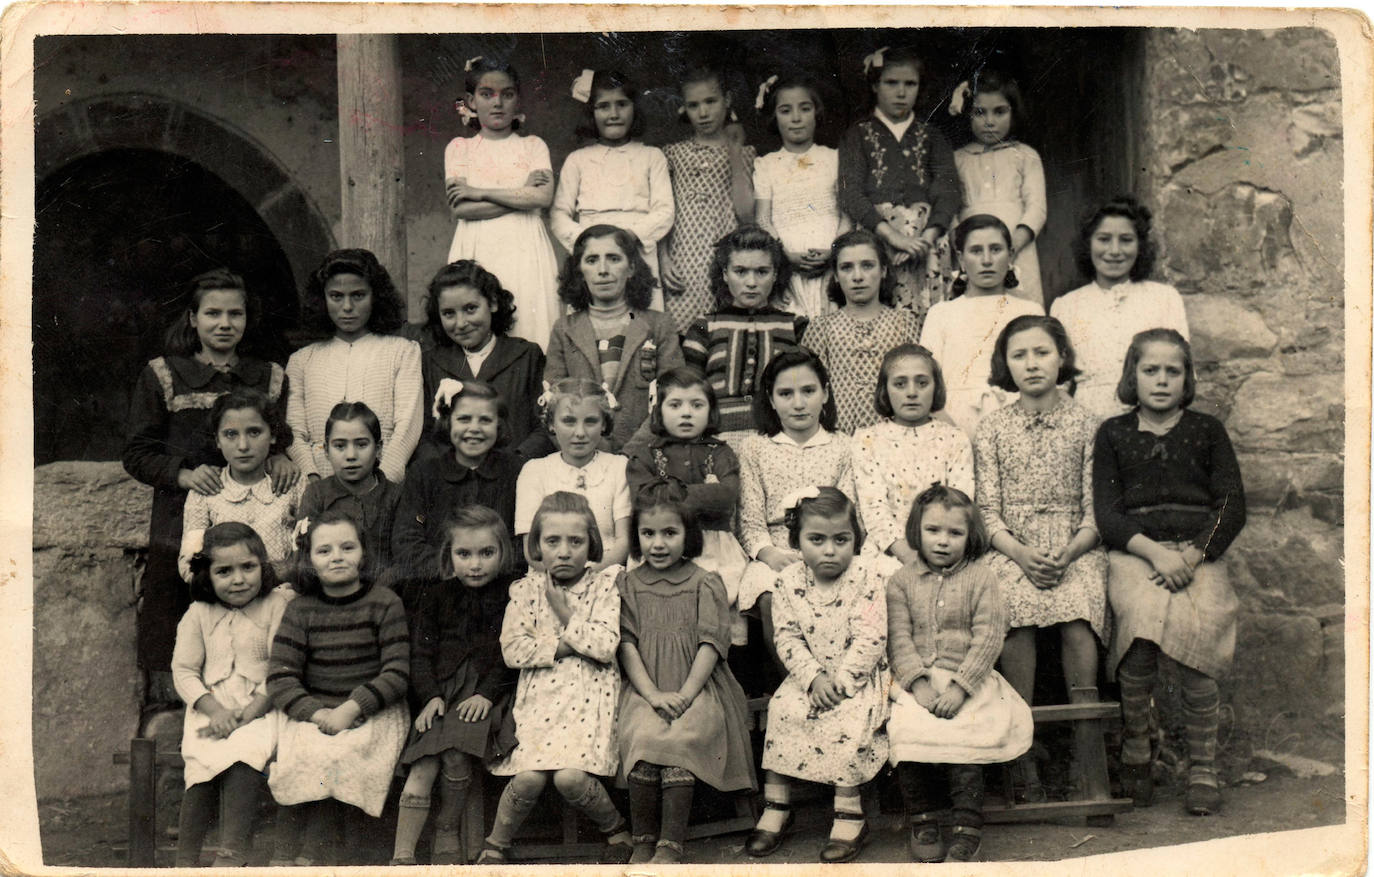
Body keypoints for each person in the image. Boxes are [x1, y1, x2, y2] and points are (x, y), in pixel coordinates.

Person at [1093, 329, 1246, 816]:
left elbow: (1231, 506)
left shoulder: (1207, 431)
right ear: (1131, 376)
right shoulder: (1113, 434)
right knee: (1138, 639)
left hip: (1197, 557)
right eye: (1150, 370)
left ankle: (1203, 765)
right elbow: (1108, 513)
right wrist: (1156, 555)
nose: (1161, 380)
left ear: (1187, 378)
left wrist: (1195, 554)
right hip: (1137, 557)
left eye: (1172, 371)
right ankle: (1138, 742)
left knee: (1198, 647)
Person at [123, 267, 295, 688]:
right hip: (181, 515)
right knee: (182, 609)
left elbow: (276, 434)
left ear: (246, 319)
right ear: (193, 318)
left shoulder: (269, 376)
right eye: (213, 313)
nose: (224, 324)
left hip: (253, 513)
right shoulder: (163, 373)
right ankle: (175, 710)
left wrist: (282, 455)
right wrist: (181, 475)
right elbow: (136, 453)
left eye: (235, 314)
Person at [973, 314, 1108, 803]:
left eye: (1042, 352)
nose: (1032, 364)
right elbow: (986, 511)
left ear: (1062, 357)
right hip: (1013, 548)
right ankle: (1020, 757)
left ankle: (1087, 754)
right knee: (1014, 614)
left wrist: (1068, 551)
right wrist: (1023, 554)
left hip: (1076, 546)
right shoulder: (990, 429)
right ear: (1005, 364)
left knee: (1077, 618)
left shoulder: (1090, 425)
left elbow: (1097, 511)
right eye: (1019, 355)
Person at [479, 492, 631, 865]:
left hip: (590, 697)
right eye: (552, 541)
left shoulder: (605, 585)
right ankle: (496, 842)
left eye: (575, 542)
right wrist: (567, 645)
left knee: (570, 778)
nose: (564, 552)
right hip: (539, 700)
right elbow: (514, 651)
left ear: (591, 543)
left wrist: (565, 614)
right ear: (537, 545)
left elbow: (604, 645)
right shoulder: (526, 589)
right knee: (528, 777)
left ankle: (616, 829)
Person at [886, 485, 1032, 863]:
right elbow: (898, 637)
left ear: (971, 537)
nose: (943, 541)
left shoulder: (982, 578)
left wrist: (961, 686)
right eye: (933, 530)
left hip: (969, 681)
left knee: (967, 740)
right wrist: (917, 683)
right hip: (917, 681)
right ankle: (924, 819)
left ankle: (968, 825)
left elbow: (988, 636)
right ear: (917, 531)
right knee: (908, 733)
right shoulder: (900, 581)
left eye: (955, 533)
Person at [745, 487, 889, 863]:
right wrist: (812, 679)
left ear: (855, 539)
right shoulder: (788, 581)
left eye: (841, 540)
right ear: (796, 541)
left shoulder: (867, 578)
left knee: (849, 716)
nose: (830, 550)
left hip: (855, 676)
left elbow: (871, 637)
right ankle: (777, 807)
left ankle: (849, 814)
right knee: (783, 708)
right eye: (817, 540)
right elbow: (787, 637)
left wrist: (841, 682)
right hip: (809, 677)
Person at [616, 480, 756, 864]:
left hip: (699, 687)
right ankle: (644, 838)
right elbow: (626, 644)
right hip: (646, 688)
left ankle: (670, 843)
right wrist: (653, 695)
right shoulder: (627, 584)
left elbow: (711, 643)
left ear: (688, 535)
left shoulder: (704, 582)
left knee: (682, 740)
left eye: (670, 533)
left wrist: (686, 694)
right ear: (636, 536)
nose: (658, 544)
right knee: (642, 736)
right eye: (648, 533)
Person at [267, 510, 410, 866]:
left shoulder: (384, 602)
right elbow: (281, 678)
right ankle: (289, 852)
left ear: (364, 554)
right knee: (305, 753)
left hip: (372, 707)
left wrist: (352, 708)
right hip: (316, 709)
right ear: (309, 559)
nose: (337, 557)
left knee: (348, 754)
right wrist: (317, 713)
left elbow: (396, 671)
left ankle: (325, 852)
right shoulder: (301, 610)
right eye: (324, 550)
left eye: (348, 547)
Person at [391, 506, 519, 865]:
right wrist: (430, 696)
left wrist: (486, 694)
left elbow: (509, 655)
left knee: (455, 754)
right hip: (442, 692)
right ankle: (401, 857)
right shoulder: (436, 596)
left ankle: (447, 829)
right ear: (449, 556)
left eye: (486, 553)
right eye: (464, 554)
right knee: (423, 763)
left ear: (503, 553)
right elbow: (421, 653)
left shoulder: (512, 594)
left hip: (485, 693)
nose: (475, 564)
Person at [172, 522, 294, 867]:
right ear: (207, 576)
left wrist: (250, 712)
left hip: (262, 707)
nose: (238, 579)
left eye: (248, 567)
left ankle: (230, 853)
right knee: (200, 765)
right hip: (211, 708)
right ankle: (185, 860)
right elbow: (184, 671)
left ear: (263, 567)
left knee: (245, 753)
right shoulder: (197, 614)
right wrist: (215, 710)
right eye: (224, 571)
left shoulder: (275, 605)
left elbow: (281, 667)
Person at [735, 349, 857, 688]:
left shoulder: (844, 447)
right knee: (770, 593)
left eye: (808, 391)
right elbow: (750, 520)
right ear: (771, 401)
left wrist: (822, 549)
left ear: (826, 394)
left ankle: (842, 681)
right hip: (774, 552)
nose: (798, 403)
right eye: (785, 394)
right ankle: (802, 684)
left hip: (831, 546)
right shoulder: (754, 449)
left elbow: (848, 514)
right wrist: (769, 554)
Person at [625, 367, 749, 644]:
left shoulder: (721, 452)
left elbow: (727, 496)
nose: (686, 413)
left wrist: (669, 492)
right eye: (675, 404)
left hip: (713, 544)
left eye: (697, 405)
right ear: (658, 412)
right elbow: (645, 498)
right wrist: (703, 493)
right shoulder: (645, 455)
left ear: (711, 411)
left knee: (717, 601)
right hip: (661, 542)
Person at [444, 56, 561, 349]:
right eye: (487, 94)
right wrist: (521, 195)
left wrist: (481, 192)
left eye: (507, 94)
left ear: (517, 100)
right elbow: (462, 208)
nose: (498, 103)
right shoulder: (460, 149)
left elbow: (542, 197)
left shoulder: (532, 146)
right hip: (478, 245)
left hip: (525, 247)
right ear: (471, 101)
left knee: (530, 325)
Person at [839, 45, 961, 317]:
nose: (902, 92)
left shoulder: (932, 136)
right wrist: (893, 237)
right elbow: (850, 193)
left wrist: (925, 238)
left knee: (929, 316)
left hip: (927, 239)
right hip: (878, 235)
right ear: (874, 85)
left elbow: (948, 191)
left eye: (910, 84)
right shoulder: (857, 135)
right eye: (891, 83)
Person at [284, 249, 423, 482]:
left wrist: (382, 485)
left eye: (358, 295)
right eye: (336, 296)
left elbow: (407, 428)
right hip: (318, 484)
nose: (347, 307)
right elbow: (294, 431)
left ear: (375, 296)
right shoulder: (301, 360)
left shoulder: (402, 351)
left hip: (383, 483)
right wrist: (313, 479)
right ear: (322, 299)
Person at [545, 224, 685, 452]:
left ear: (631, 268)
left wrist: (630, 454)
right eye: (591, 260)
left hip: (647, 455)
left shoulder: (659, 325)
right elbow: (553, 404)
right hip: (585, 455)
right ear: (579, 271)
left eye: (613, 258)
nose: (603, 270)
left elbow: (672, 400)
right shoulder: (564, 329)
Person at [1051, 196, 1191, 421]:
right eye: (1104, 239)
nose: (1114, 251)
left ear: (1140, 245)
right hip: (1087, 419)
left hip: (1152, 418)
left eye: (1126, 240)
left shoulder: (1164, 298)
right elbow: (1058, 384)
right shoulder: (1066, 305)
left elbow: (1182, 371)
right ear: (1088, 244)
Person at [392, 380, 522, 598]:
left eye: (485, 420)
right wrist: (449, 569)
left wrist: (493, 568)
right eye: (463, 419)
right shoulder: (425, 473)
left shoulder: (516, 472)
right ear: (447, 423)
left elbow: (524, 540)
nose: (474, 429)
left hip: (501, 589)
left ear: (498, 426)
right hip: (437, 588)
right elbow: (406, 540)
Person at [553, 69, 674, 301]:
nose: (614, 114)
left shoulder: (651, 156)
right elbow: (559, 214)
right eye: (604, 106)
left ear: (634, 109)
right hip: (592, 251)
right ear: (591, 112)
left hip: (636, 250)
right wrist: (586, 242)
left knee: (639, 319)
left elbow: (664, 210)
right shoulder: (577, 159)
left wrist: (631, 235)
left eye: (622, 104)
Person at [681, 225, 807, 445]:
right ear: (725, 274)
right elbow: (689, 392)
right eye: (740, 271)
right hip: (715, 443)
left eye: (762, 271)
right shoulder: (705, 326)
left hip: (780, 443)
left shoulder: (795, 327)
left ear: (775, 274)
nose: (751, 282)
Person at [919, 214, 1043, 437]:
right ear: (961, 259)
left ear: (1011, 255)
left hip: (1019, 423)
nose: (987, 260)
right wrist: (950, 432)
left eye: (996, 249)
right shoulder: (941, 314)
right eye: (976, 251)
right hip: (955, 423)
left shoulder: (1030, 310)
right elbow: (926, 379)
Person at [853, 344, 974, 567]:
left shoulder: (955, 439)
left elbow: (961, 503)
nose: (911, 392)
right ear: (885, 390)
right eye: (900, 384)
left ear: (936, 387)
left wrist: (935, 552)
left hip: (944, 548)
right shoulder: (867, 440)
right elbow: (874, 510)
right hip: (888, 552)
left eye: (922, 383)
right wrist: (907, 555)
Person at [415, 260, 546, 459]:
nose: (461, 323)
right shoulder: (431, 362)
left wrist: (516, 462)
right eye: (449, 313)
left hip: (514, 474)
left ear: (492, 303)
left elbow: (544, 426)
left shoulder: (526, 355)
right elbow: (423, 432)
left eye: (470, 309)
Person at [660, 64, 756, 332]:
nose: (703, 113)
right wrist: (664, 257)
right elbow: (663, 211)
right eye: (694, 105)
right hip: (682, 268)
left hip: (724, 266)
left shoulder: (745, 153)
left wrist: (734, 152)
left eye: (711, 102)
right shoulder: (673, 154)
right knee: (683, 344)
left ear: (726, 100)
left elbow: (747, 214)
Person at [179, 388, 304, 582]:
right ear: (217, 440)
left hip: (283, 597)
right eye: (230, 434)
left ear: (272, 435)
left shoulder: (293, 484)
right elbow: (189, 560)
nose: (243, 445)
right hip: (226, 599)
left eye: (254, 432)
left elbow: (311, 549)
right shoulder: (205, 490)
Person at [753, 72, 849, 321]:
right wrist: (784, 254)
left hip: (829, 263)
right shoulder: (767, 165)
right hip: (788, 268)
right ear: (775, 116)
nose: (796, 118)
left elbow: (847, 215)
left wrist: (834, 250)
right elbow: (763, 219)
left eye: (804, 109)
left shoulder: (835, 159)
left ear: (816, 112)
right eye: (786, 111)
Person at [807, 228, 922, 432]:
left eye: (867, 266)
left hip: (894, 438)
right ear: (835, 275)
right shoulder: (821, 327)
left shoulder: (904, 323)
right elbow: (810, 390)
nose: (857, 276)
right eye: (846, 268)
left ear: (884, 270)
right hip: (838, 438)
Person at [948, 69, 1047, 306]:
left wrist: (1011, 247)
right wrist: (961, 244)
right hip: (971, 249)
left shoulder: (1025, 156)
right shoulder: (957, 159)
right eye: (980, 113)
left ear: (1014, 112)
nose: (989, 121)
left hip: (1017, 248)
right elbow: (949, 211)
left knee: (1019, 305)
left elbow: (1036, 209)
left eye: (999, 112)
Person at [515, 378, 632, 571]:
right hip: (548, 576)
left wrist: (585, 576)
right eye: (569, 421)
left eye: (591, 422)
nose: (580, 432)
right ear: (552, 424)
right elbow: (531, 548)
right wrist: (563, 577)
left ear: (603, 424)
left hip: (605, 576)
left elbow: (622, 543)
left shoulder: (618, 467)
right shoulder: (534, 471)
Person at [297, 402, 402, 571]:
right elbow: (302, 555)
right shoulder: (316, 494)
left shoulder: (396, 496)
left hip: (383, 592)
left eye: (361, 445)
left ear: (378, 448)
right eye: (340, 446)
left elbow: (403, 559)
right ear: (326, 450)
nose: (351, 455)